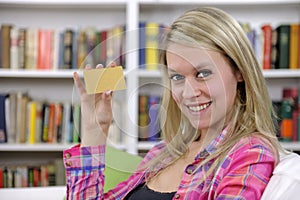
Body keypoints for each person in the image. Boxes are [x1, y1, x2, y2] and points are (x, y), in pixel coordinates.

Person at [63, 7, 285, 199]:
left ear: (239, 71)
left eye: (203, 73)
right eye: (177, 77)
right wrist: (94, 129)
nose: (188, 93)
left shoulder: (250, 153)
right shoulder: (164, 152)